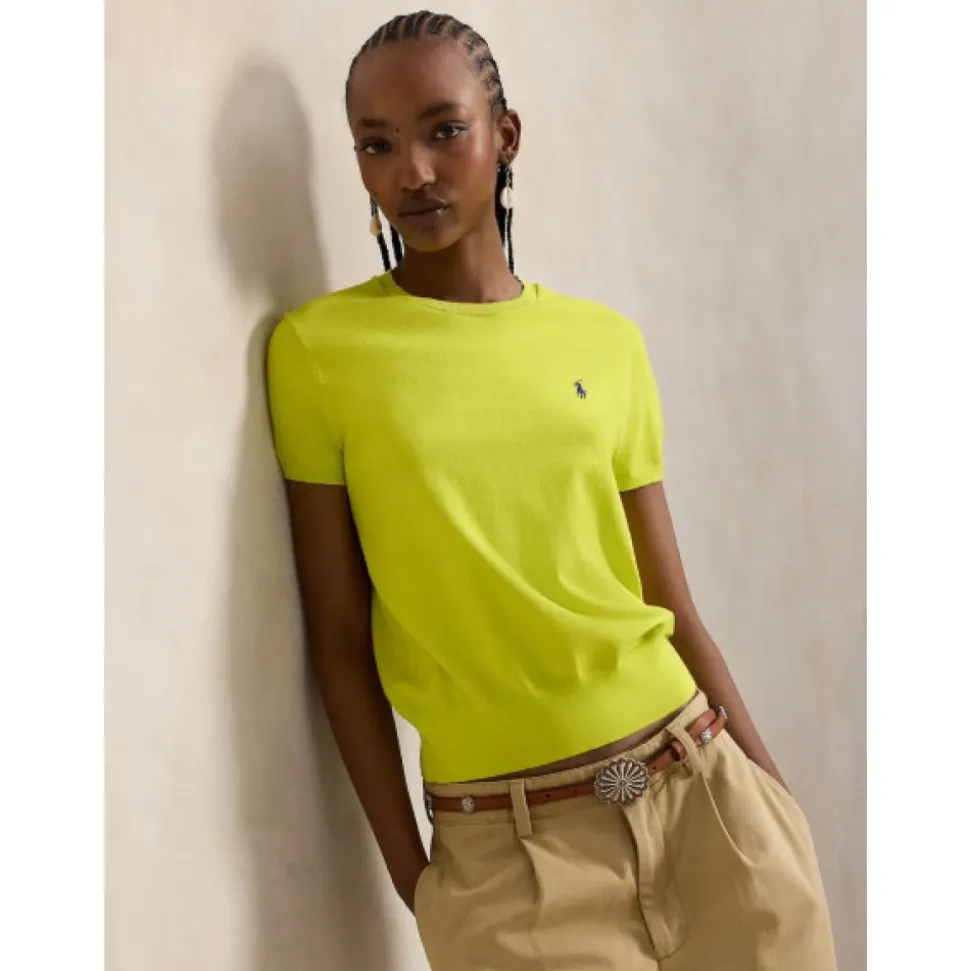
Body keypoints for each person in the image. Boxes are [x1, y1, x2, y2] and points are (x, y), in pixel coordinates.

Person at [266, 10, 837, 970]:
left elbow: (671, 603)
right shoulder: (321, 353)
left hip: (705, 799)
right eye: (378, 144)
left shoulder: (605, 343)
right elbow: (338, 641)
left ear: (506, 136)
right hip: (508, 864)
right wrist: (420, 885)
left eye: (445, 130)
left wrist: (775, 804)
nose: (414, 171)